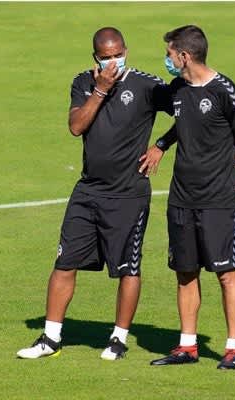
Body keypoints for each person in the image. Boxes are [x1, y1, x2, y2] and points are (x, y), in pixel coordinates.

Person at [17, 27, 172, 360]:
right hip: (88, 191)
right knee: (64, 262)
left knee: (128, 268)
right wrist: (100, 89)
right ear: (95, 58)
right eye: (106, 57)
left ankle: (118, 339)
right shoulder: (82, 83)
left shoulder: (147, 85)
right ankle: (50, 338)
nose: (113, 61)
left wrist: (161, 145)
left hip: (129, 193)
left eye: (118, 54)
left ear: (126, 51)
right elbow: (76, 126)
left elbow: (189, 114)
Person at [140, 25, 235, 370]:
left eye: (169, 54)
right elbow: (185, 120)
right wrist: (162, 144)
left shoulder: (225, 91)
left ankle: (233, 350)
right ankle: (187, 346)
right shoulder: (178, 89)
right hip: (181, 198)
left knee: (225, 272)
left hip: (217, 199)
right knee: (185, 272)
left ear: (184, 56)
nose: (167, 59)